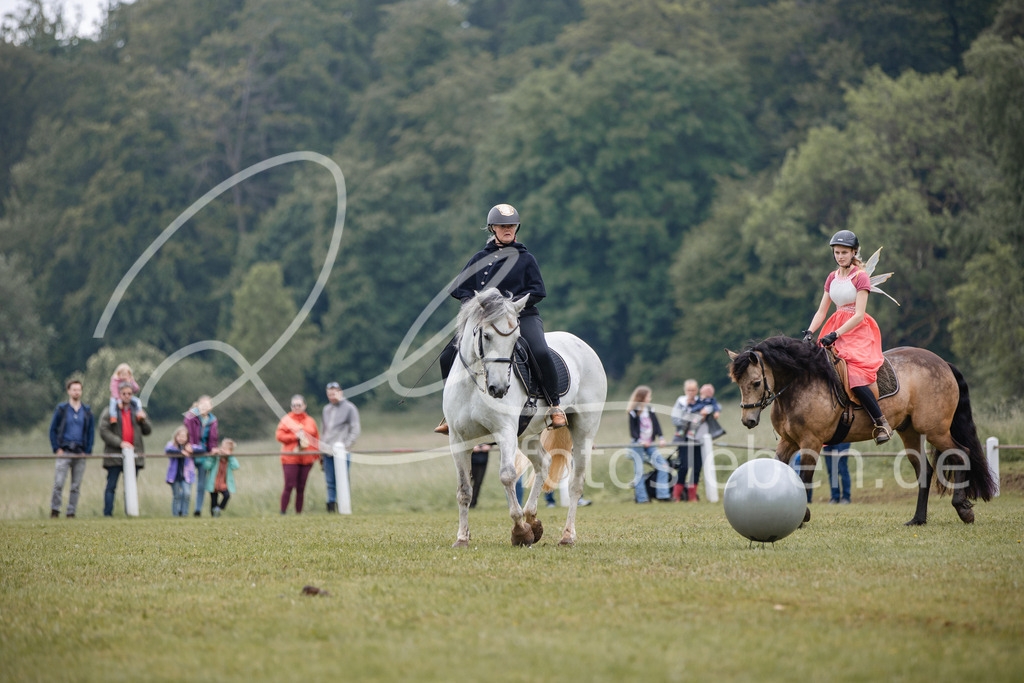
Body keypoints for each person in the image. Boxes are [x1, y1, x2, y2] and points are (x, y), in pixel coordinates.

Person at [434, 203, 565, 434]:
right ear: (492, 228)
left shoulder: (526, 259)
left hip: (521, 316)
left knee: (540, 351)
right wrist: (473, 306)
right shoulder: (479, 258)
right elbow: (460, 290)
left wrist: (511, 307)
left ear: (517, 228)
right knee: (447, 356)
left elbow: (538, 292)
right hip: (485, 320)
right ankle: (450, 412)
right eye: (503, 226)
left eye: (512, 226)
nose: (508, 229)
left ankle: (555, 406)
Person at [803, 229, 892, 444]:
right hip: (834, 326)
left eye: (844, 252)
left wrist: (835, 333)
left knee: (855, 374)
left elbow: (860, 314)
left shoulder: (860, 277)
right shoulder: (831, 277)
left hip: (856, 329)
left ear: (854, 253)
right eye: (836, 252)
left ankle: (882, 422)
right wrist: (809, 332)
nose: (840, 256)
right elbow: (822, 311)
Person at [98, 381, 151, 516]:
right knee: (111, 486)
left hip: (134, 454)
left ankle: (130, 513)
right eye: (124, 394)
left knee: (130, 487)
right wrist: (120, 442)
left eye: (129, 393)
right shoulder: (110, 410)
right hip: (115, 454)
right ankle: (107, 514)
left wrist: (143, 420)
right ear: (119, 394)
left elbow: (148, 431)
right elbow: (103, 430)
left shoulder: (137, 410)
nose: (127, 396)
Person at [48, 379, 95, 519]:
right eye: (74, 389)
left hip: (79, 452)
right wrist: (57, 448)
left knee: (76, 486)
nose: (76, 392)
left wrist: (88, 450)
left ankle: (71, 512)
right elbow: (52, 429)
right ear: (69, 391)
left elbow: (91, 432)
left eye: (79, 389)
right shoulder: (62, 409)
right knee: (59, 483)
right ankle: (55, 510)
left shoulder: (86, 411)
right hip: (65, 450)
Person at [320, 381, 360, 513]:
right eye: (329, 393)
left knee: (342, 480)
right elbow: (324, 430)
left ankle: (345, 507)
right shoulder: (326, 409)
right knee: (330, 481)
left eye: (334, 392)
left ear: (340, 392)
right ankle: (331, 506)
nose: (332, 396)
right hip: (327, 451)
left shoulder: (350, 408)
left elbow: (355, 429)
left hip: (342, 451)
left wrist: (345, 446)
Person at [276, 395, 319, 514]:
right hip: (290, 458)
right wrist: (294, 437)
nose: (296, 407)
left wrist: (317, 456)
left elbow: (316, 438)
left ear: (304, 406)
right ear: (291, 406)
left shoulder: (310, 421)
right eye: (294, 405)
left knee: (301, 487)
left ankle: (298, 513)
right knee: (289, 485)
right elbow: (279, 436)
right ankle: (283, 511)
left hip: (306, 459)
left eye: (299, 405)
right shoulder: (286, 420)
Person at [627, 385, 671, 503]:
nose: (650, 398)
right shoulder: (633, 412)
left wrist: (661, 438)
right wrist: (640, 441)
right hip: (638, 445)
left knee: (663, 465)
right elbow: (633, 431)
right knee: (639, 471)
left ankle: (663, 495)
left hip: (650, 443)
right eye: (648, 396)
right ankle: (642, 498)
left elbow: (656, 425)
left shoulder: (650, 410)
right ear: (642, 397)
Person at [671, 379, 708, 502]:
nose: (691, 392)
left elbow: (713, 409)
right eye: (689, 390)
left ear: (696, 390)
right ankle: (676, 495)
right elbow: (675, 419)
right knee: (684, 466)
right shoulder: (680, 402)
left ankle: (692, 496)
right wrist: (690, 419)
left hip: (697, 437)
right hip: (683, 438)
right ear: (685, 390)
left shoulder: (701, 402)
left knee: (697, 466)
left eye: (693, 390)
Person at [184, 395, 219, 517]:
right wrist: (187, 445)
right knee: (188, 482)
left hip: (204, 454)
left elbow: (213, 438)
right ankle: (184, 511)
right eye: (202, 404)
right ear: (198, 405)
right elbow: (186, 431)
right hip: (191, 453)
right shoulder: (191, 417)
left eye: (207, 405)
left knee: (201, 485)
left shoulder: (212, 420)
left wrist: (213, 449)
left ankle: (197, 510)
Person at [199, 438, 239, 517]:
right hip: (214, 483)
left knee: (227, 495)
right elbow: (206, 466)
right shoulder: (216, 458)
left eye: (226, 449)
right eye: (223, 448)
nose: (223, 451)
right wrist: (212, 456)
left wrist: (230, 457)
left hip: (224, 483)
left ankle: (219, 508)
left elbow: (236, 466)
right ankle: (214, 516)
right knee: (213, 501)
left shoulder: (229, 460)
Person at [164, 425, 195, 517]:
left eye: (183, 436)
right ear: (176, 437)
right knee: (176, 496)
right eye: (179, 436)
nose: (181, 438)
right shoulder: (171, 445)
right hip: (174, 476)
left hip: (187, 476)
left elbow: (200, 449)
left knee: (187, 494)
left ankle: (184, 513)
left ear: (187, 438)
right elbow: (168, 450)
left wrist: (190, 450)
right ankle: (176, 515)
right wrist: (181, 452)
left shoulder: (190, 447)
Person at [470, 443, 491, 508]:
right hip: (470, 460)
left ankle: (473, 504)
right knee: (468, 482)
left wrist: (489, 446)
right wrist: (471, 447)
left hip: (482, 460)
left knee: (478, 482)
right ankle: (465, 501)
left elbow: (491, 439)